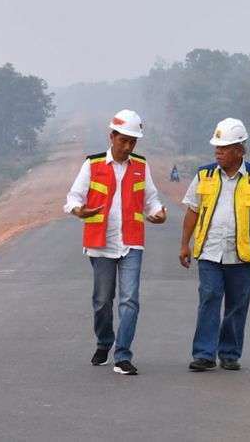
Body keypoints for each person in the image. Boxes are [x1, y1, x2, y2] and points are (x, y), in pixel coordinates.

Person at [64, 109, 167, 376]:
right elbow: (74, 196)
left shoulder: (141, 167)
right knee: (102, 301)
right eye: (123, 140)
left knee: (130, 300)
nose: (128, 146)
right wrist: (79, 211)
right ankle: (104, 342)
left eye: (133, 142)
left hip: (132, 242)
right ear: (112, 137)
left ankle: (123, 355)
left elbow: (152, 199)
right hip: (101, 243)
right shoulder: (93, 164)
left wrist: (158, 212)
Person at [178, 117, 250, 372]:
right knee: (209, 297)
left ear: (239, 149)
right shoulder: (205, 174)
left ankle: (229, 353)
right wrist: (184, 244)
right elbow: (192, 209)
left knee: (237, 304)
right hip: (210, 252)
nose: (218, 152)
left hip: (244, 255)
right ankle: (203, 353)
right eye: (216, 147)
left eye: (223, 148)